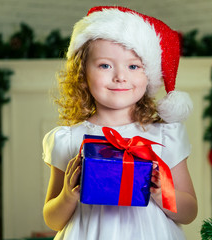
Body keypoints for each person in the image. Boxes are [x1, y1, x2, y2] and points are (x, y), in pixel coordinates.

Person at [42, 6, 197, 240]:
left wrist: (160, 193)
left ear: (149, 76)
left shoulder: (166, 136)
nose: (120, 76)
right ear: (83, 72)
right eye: (105, 65)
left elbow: (189, 212)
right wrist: (68, 195)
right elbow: (52, 220)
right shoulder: (68, 139)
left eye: (133, 66)